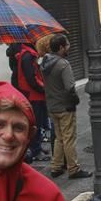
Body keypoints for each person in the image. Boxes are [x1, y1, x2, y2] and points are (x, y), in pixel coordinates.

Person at [40, 34, 92, 179]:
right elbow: (70, 87)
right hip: (64, 106)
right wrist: (74, 101)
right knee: (69, 138)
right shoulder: (63, 64)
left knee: (59, 138)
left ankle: (56, 166)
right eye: (67, 45)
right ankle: (73, 168)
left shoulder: (44, 63)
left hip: (52, 105)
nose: (69, 47)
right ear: (61, 47)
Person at [11, 42, 48, 162]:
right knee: (35, 124)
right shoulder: (27, 55)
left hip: (33, 94)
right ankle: (36, 150)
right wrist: (43, 88)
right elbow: (31, 78)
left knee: (38, 123)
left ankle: (37, 148)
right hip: (34, 95)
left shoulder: (27, 54)